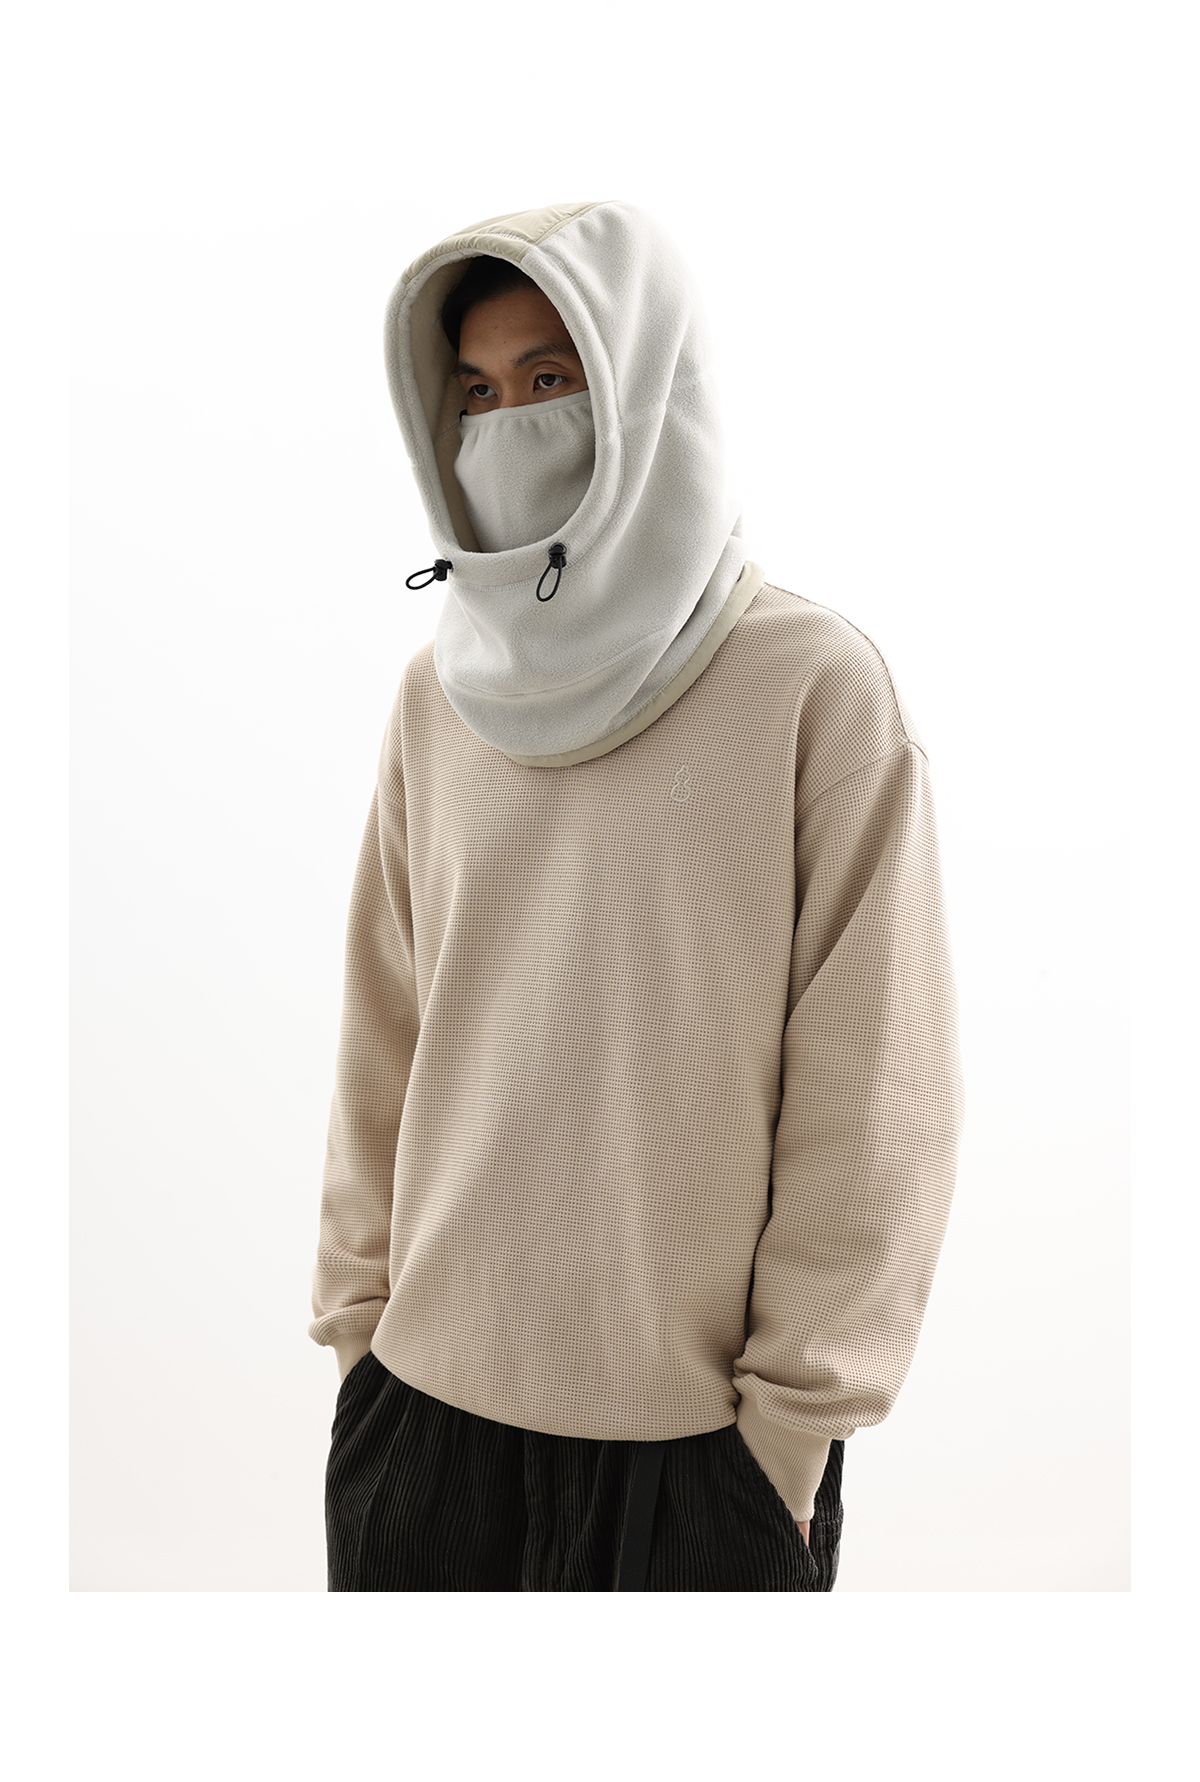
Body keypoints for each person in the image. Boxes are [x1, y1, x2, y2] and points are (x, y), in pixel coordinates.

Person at [308, 199, 964, 1592]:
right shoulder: (435, 699)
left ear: (643, 386)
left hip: (699, 1454)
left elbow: (874, 1103)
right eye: (474, 393)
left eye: (550, 378)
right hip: (424, 1423)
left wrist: (788, 1435)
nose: (505, 426)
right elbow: (385, 1036)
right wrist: (360, 1332)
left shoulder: (813, 689)